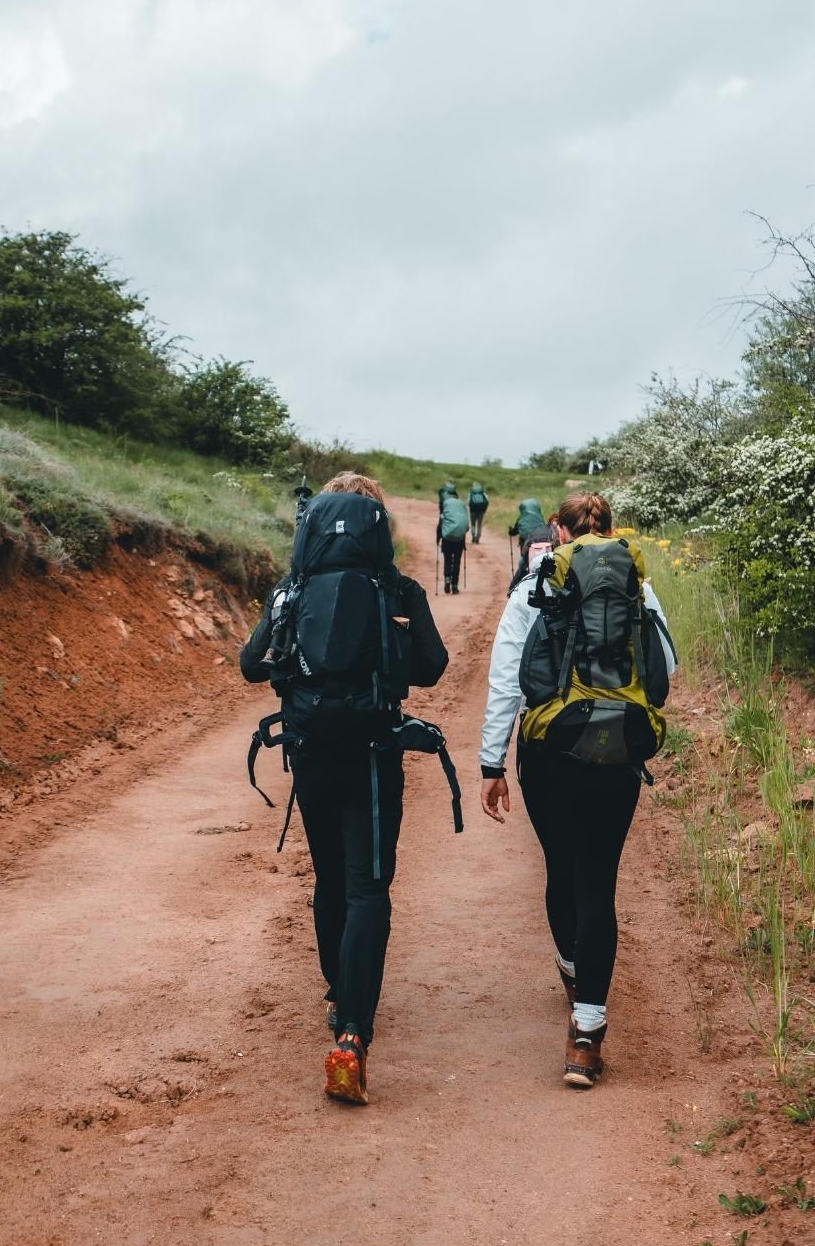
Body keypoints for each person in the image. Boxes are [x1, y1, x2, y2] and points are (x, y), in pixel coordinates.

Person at [240, 471, 449, 1105]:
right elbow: (433, 668)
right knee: (368, 886)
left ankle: (339, 993)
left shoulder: (292, 588)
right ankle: (354, 1030)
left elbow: (252, 665)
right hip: (372, 756)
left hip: (307, 752)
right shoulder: (397, 588)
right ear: (377, 523)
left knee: (330, 880)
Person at [478, 492, 676, 1089]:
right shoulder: (638, 585)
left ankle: (571, 967)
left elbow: (508, 679)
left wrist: (492, 762)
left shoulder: (534, 586)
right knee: (599, 879)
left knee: (561, 870)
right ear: (611, 531)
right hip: (617, 750)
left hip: (549, 752)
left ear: (559, 532)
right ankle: (586, 1035)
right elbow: (666, 665)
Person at [437, 487, 469, 594]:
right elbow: (466, 526)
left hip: (446, 539)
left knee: (447, 560)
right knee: (456, 562)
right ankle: (454, 585)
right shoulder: (462, 506)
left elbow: (440, 524)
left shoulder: (446, 505)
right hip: (459, 541)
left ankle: (447, 580)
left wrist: (438, 538)